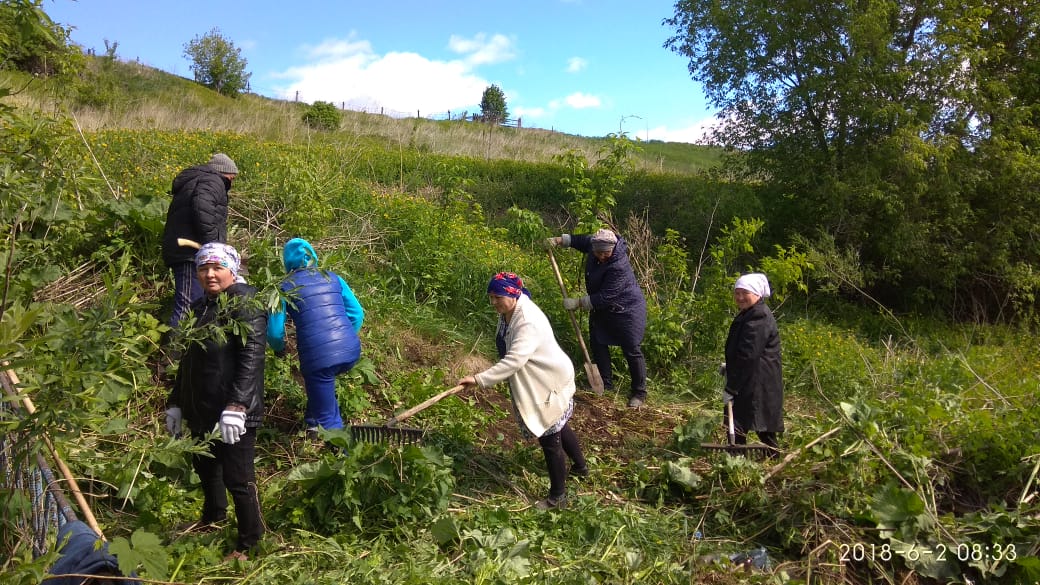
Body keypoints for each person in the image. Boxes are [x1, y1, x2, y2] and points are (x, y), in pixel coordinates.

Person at [164, 243, 265, 560]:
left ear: (231, 270)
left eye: (217, 267)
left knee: (239, 477)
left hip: (232, 411)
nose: (209, 274)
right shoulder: (200, 306)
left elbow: (252, 357)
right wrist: (177, 401)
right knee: (206, 468)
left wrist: (238, 405)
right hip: (202, 407)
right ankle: (213, 517)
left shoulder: (244, 301)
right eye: (203, 268)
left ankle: (251, 541)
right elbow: (187, 361)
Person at [458, 272, 588, 510]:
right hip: (539, 377)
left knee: (550, 437)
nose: (493, 302)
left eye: (497, 297)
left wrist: (478, 379)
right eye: (491, 297)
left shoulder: (527, 320)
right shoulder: (509, 312)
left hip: (548, 381)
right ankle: (581, 467)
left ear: (511, 293)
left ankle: (558, 497)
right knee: (559, 422)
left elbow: (514, 361)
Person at [267, 238, 364, 432]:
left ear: (286, 262)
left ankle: (342, 454)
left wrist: (279, 348)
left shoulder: (283, 287)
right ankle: (312, 425)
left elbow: (275, 331)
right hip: (352, 350)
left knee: (329, 419)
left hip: (320, 358)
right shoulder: (333, 277)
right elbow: (357, 313)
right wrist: (344, 337)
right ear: (314, 257)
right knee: (321, 386)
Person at [548, 228, 648, 408]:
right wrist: (557, 240)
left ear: (613, 249)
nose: (601, 256)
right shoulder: (594, 244)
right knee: (598, 341)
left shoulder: (619, 265)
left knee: (631, 348)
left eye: (605, 253)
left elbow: (606, 296)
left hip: (627, 310)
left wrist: (578, 302)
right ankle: (605, 384)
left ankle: (639, 392)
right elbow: (579, 241)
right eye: (598, 253)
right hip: (604, 309)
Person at [161, 153, 239, 329]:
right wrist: (213, 248)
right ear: (224, 172)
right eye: (232, 178)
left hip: (187, 250)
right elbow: (202, 208)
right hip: (189, 253)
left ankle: (190, 352)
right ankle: (174, 354)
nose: (232, 182)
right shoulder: (212, 181)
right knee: (188, 306)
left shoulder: (200, 180)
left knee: (195, 305)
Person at [722, 272, 783, 453]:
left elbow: (748, 354)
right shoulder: (750, 313)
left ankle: (766, 459)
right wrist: (730, 366)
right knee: (743, 422)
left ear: (756, 293)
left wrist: (731, 387)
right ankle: (737, 459)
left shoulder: (759, 316)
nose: (740, 297)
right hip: (751, 377)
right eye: (737, 293)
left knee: (757, 425)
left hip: (757, 381)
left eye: (744, 293)